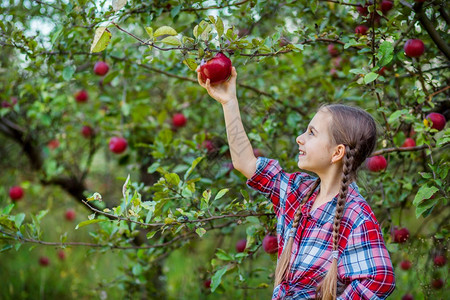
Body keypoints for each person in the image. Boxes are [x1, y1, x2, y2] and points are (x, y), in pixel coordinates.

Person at [197, 66, 396, 299]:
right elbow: (246, 163)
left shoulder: (356, 217)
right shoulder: (297, 192)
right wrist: (229, 102)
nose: (299, 138)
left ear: (337, 152)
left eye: (311, 133)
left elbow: (380, 278)